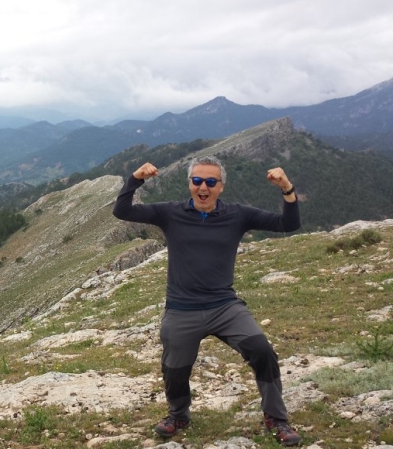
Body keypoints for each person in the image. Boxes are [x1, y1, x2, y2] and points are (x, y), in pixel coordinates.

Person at [112, 155, 303, 446]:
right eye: (198, 180)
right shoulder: (170, 213)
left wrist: (287, 189)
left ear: (221, 186)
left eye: (211, 182)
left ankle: (277, 419)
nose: (204, 187)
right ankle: (178, 415)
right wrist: (135, 179)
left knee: (262, 352)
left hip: (224, 307)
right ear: (190, 183)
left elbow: (289, 223)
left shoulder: (238, 215)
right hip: (182, 308)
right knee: (174, 369)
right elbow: (122, 211)